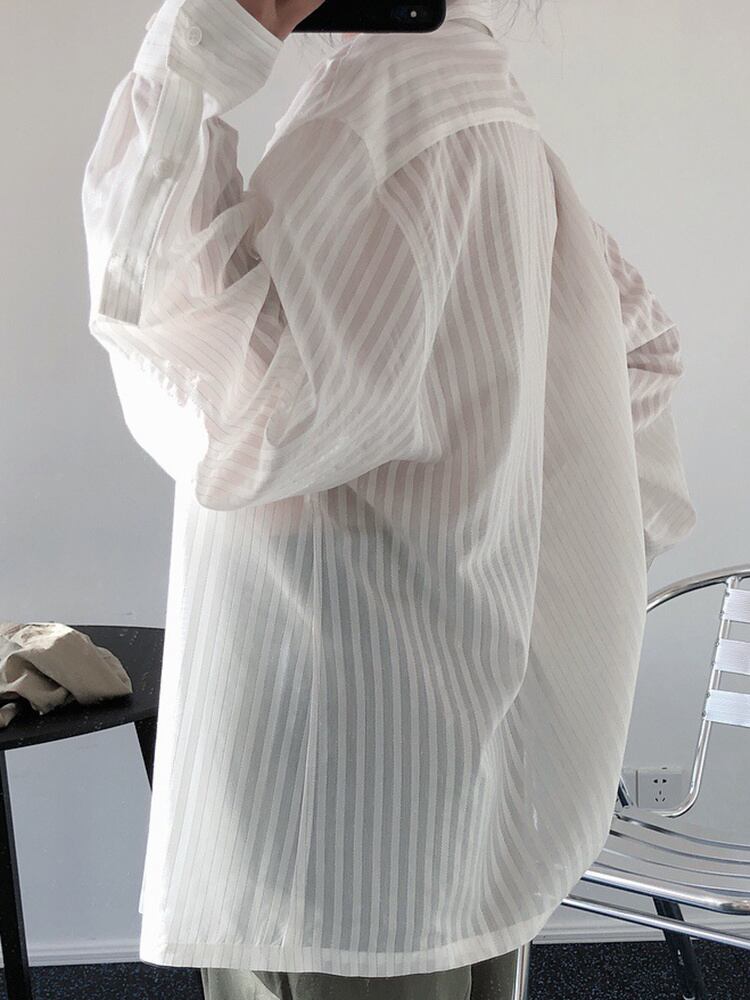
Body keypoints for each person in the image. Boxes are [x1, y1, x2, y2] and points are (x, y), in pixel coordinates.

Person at [80, 0, 697, 997]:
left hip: (339, 757)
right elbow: (638, 364)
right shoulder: (481, 106)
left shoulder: (388, 120)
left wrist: (198, 46)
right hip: (444, 723)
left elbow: (230, 420)